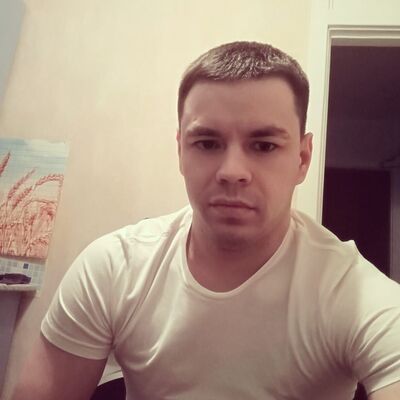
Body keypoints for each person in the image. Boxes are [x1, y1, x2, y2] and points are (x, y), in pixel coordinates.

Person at [12, 41, 400, 400]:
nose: (232, 171)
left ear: (302, 158)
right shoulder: (114, 268)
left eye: (264, 145)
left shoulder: (351, 292)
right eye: (207, 143)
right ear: (181, 151)